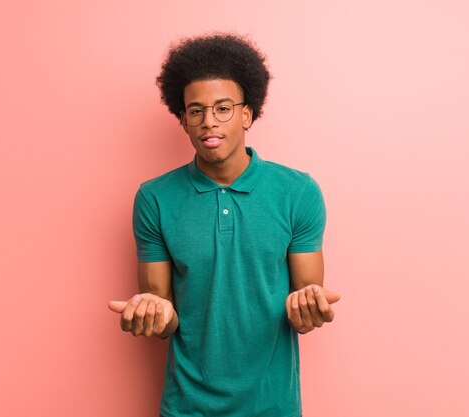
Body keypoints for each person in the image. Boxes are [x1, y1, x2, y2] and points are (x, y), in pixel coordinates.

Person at [109, 33, 341, 417]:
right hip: (187, 405)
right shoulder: (154, 198)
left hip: (273, 405)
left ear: (247, 114)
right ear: (183, 119)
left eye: (222, 108)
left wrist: (309, 309)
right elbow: (163, 313)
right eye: (196, 111)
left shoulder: (298, 192)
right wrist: (153, 314)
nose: (208, 122)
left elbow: (305, 300)